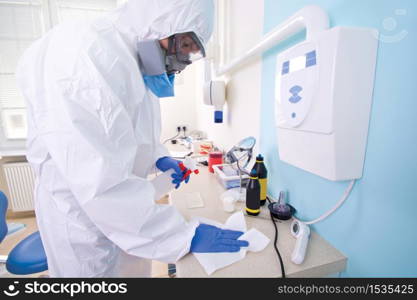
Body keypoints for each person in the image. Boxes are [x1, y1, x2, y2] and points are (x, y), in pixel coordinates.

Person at [16, 0, 248, 277]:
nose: (184, 60)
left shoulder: (132, 58)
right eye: (185, 45)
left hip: (123, 212)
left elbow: (127, 134)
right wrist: (181, 236)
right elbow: (97, 177)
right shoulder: (89, 56)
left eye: (192, 50)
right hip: (84, 220)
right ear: (160, 21)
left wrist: (158, 158)